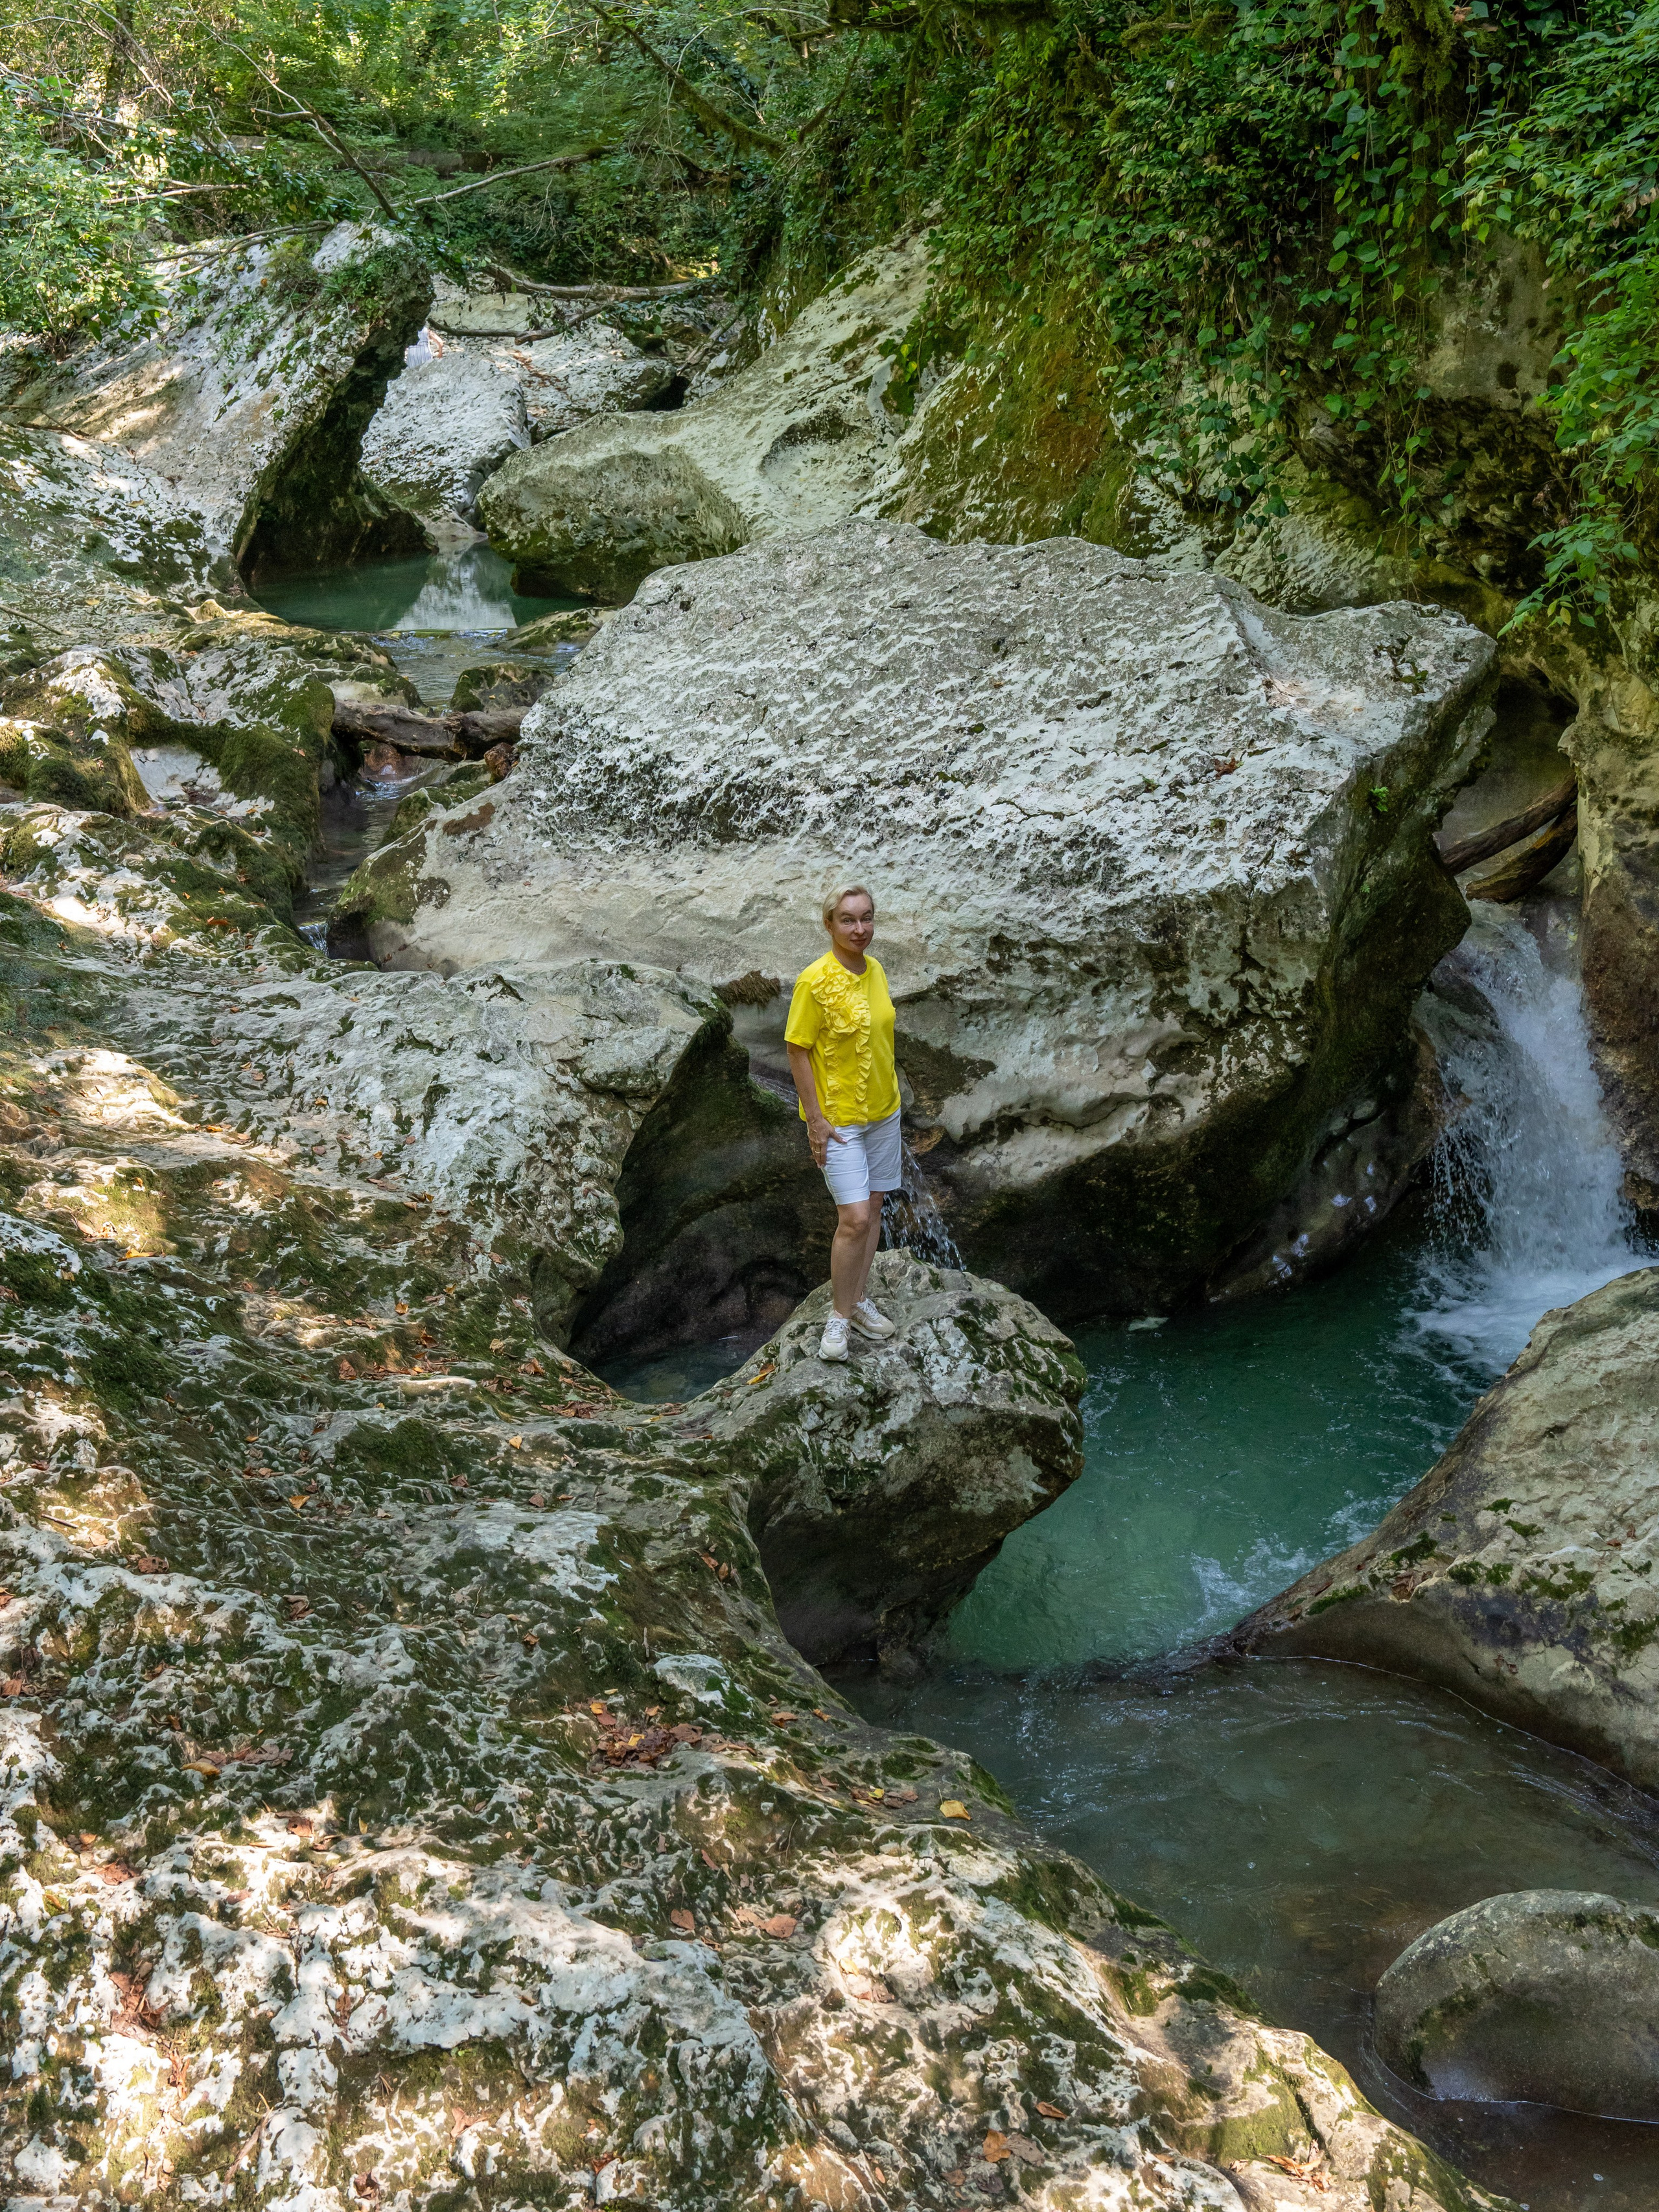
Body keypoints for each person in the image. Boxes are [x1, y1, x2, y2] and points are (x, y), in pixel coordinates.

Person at [785, 883, 902, 1363]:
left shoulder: (876, 971)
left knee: (873, 1211)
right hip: (838, 1123)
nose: (861, 929)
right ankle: (838, 1317)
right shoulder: (814, 981)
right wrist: (815, 1120)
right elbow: (796, 1049)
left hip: (883, 1113)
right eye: (849, 920)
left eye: (867, 918)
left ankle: (856, 1301)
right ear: (829, 924)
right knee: (852, 1219)